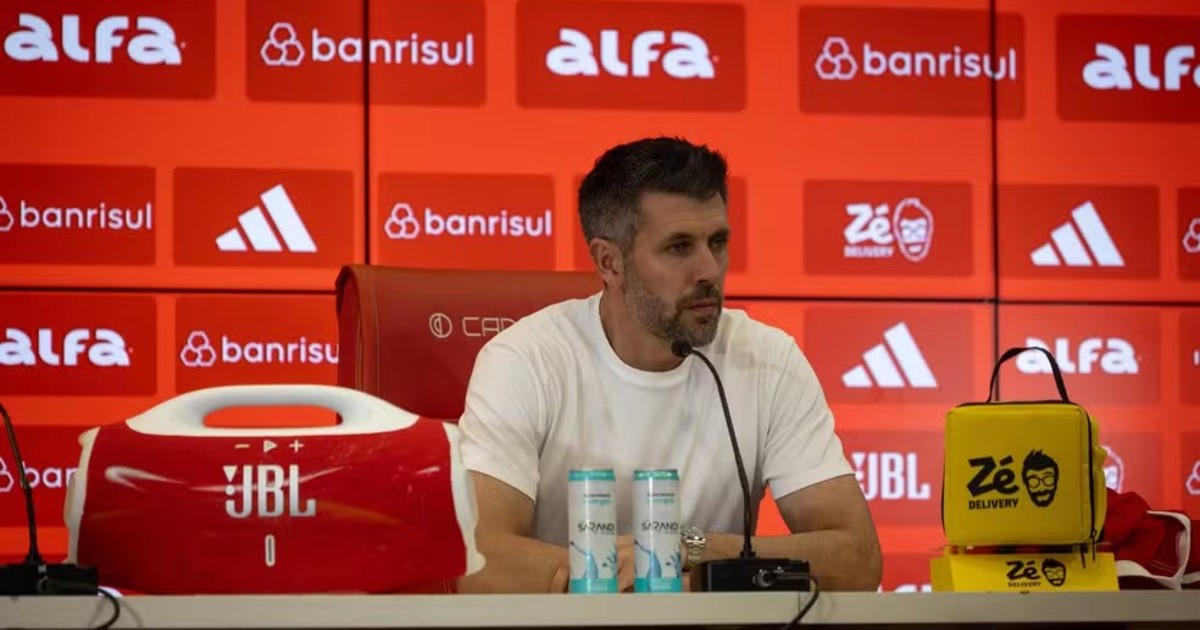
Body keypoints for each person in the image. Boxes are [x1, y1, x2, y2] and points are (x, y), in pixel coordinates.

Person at [456, 136, 881, 593]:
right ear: (609, 261)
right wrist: (625, 572)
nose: (709, 270)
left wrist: (687, 549)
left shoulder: (767, 360)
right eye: (679, 248)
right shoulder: (525, 361)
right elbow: (479, 561)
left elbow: (857, 559)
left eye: (718, 242)